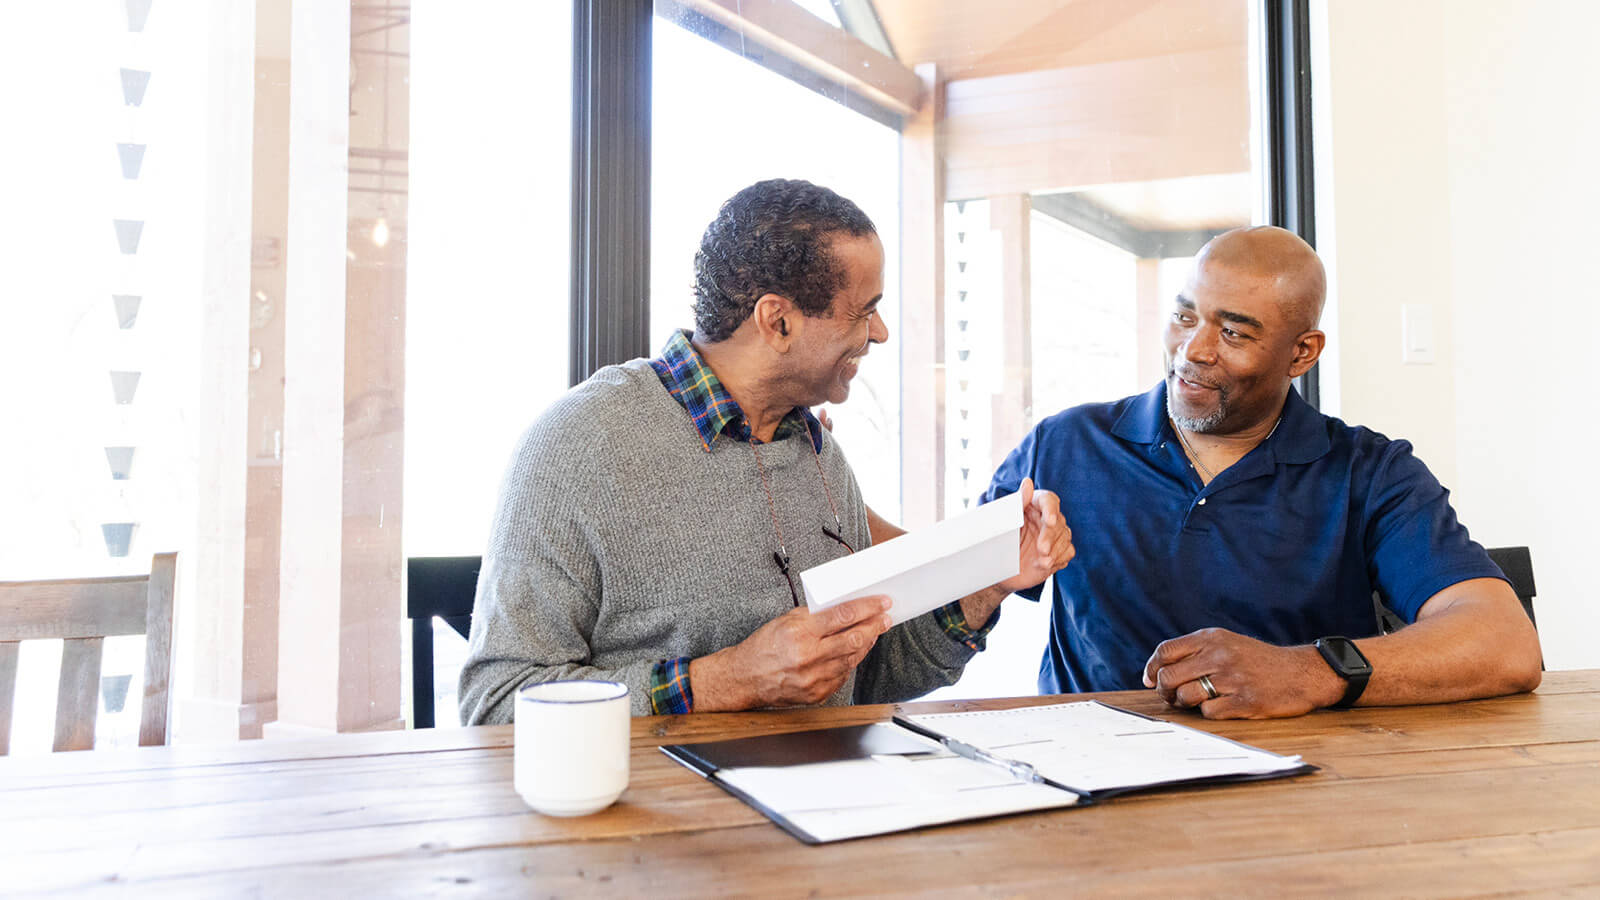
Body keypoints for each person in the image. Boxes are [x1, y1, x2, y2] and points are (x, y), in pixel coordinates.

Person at [460, 179, 1074, 723]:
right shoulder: (579, 446)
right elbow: (497, 701)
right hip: (657, 835)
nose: (880, 333)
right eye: (864, 311)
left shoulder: (816, 452)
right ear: (777, 321)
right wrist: (725, 680)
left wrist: (985, 588)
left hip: (820, 817)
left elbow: (866, 680)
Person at [983, 225, 1541, 719]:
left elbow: (1506, 643)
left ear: (1302, 354)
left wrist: (1306, 672)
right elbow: (943, 601)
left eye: (1234, 333)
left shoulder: (1369, 472)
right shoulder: (1065, 444)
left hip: (1298, 779)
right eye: (1184, 316)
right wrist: (985, 580)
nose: (1193, 350)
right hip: (1089, 776)